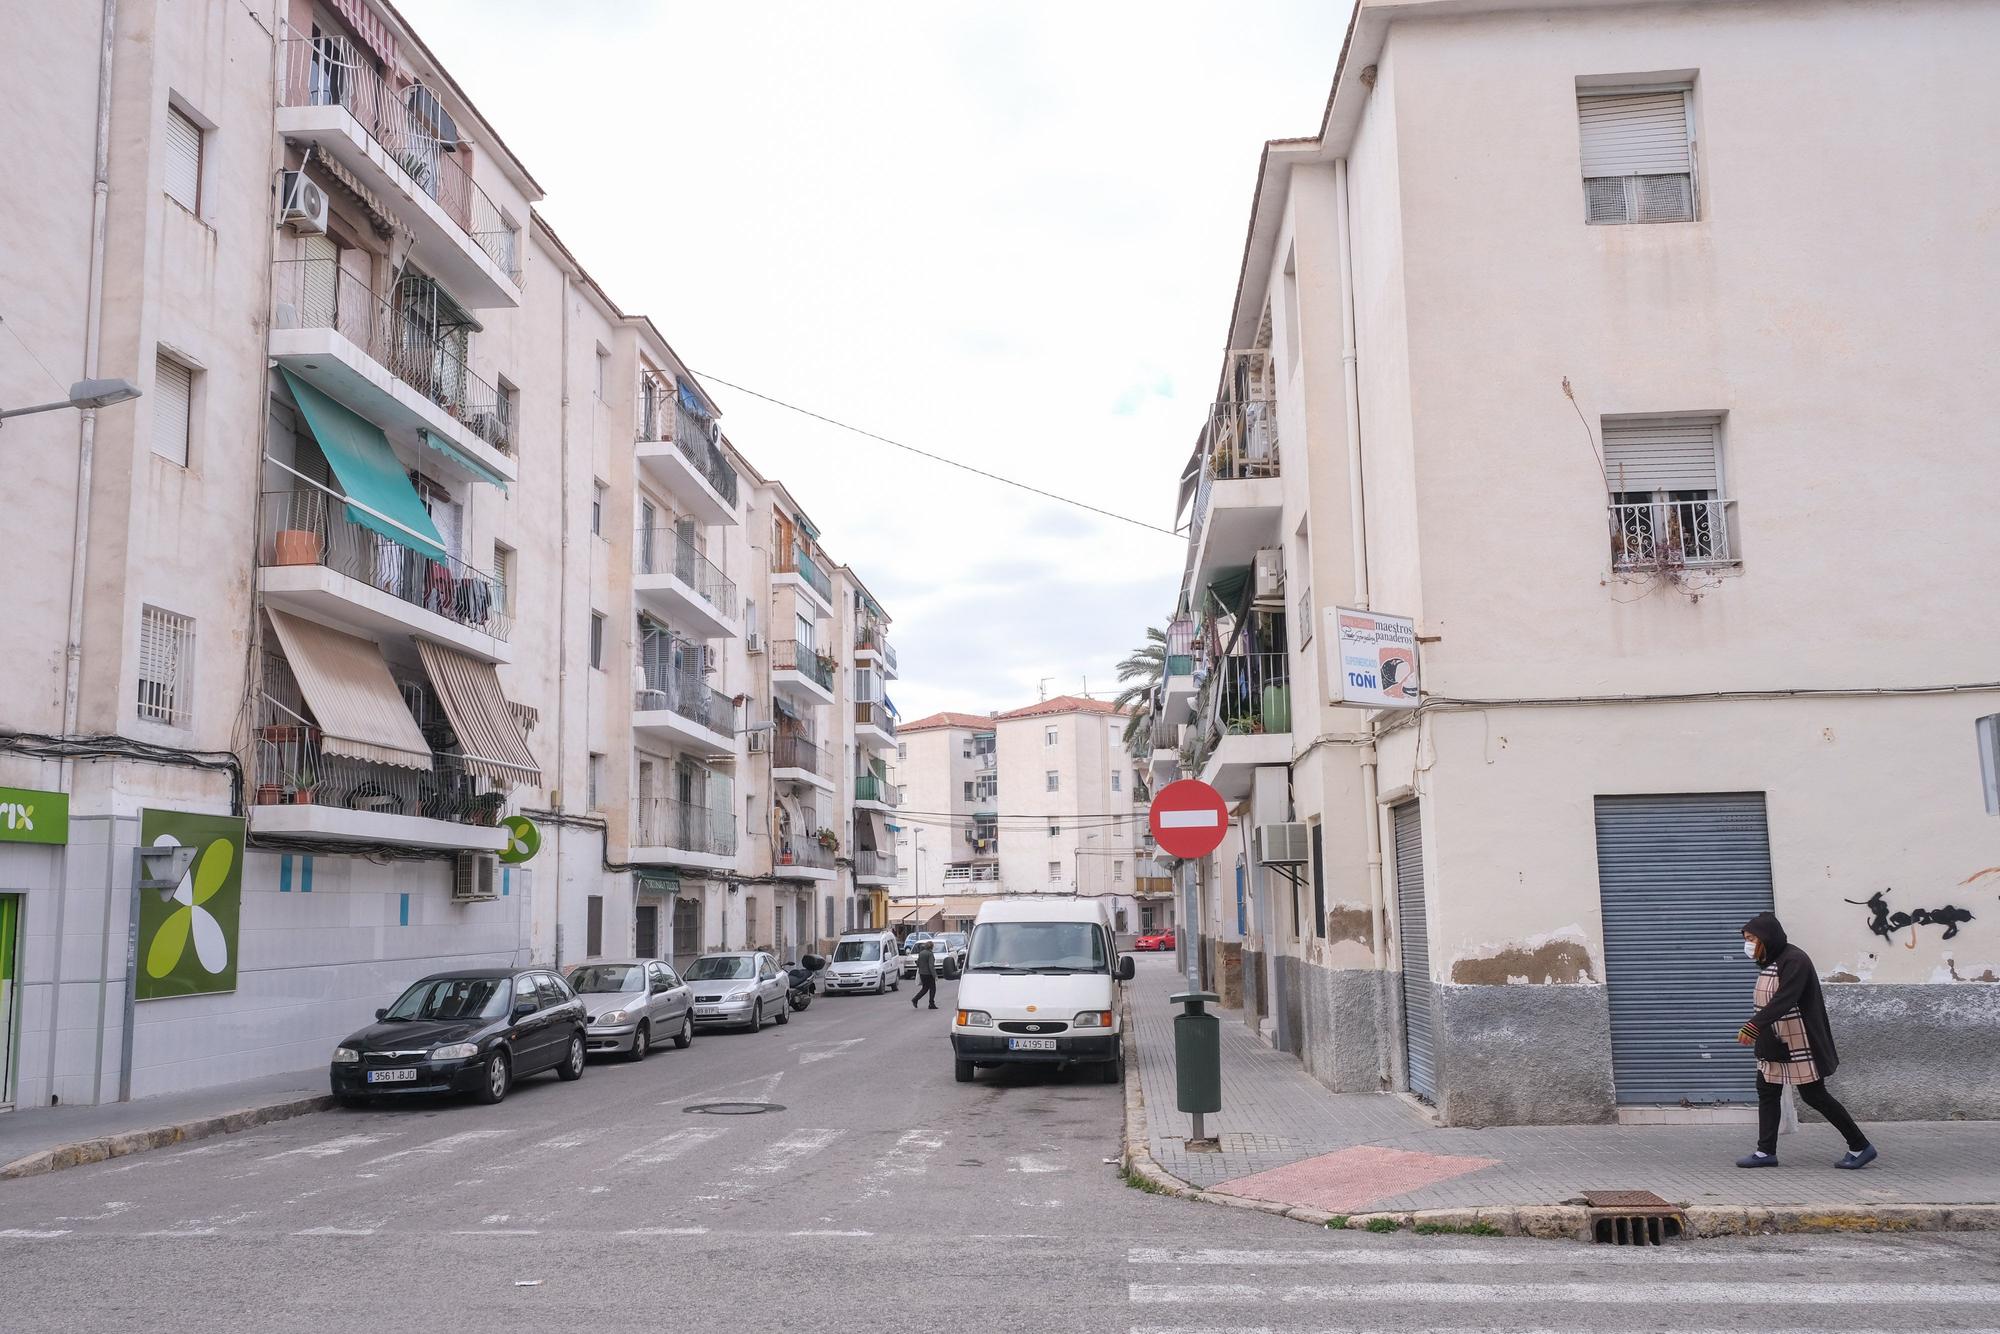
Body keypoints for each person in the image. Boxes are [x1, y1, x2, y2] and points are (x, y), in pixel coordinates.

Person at [1735, 912, 1877, 1170]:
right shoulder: (1773, 961)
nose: (1749, 944)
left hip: (1798, 1041)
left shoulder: (1795, 959)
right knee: (1767, 1092)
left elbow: (1785, 998)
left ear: (1767, 936)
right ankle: (1765, 1151)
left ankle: (1860, 1146)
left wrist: (1754, 1025)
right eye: (1746, 939)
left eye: (1752, 938)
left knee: (1814, 1095)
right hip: (1775, 1042)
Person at [911, 940, 938, 1011]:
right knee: (933, 988)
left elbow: (918, 963)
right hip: (929, 974)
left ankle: (915, 999)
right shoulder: (930, 954)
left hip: (922, 973)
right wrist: (934, 975)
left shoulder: (921, 953)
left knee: (925, 988)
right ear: (931, 947)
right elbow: (931, 965)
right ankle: (931, 1003)